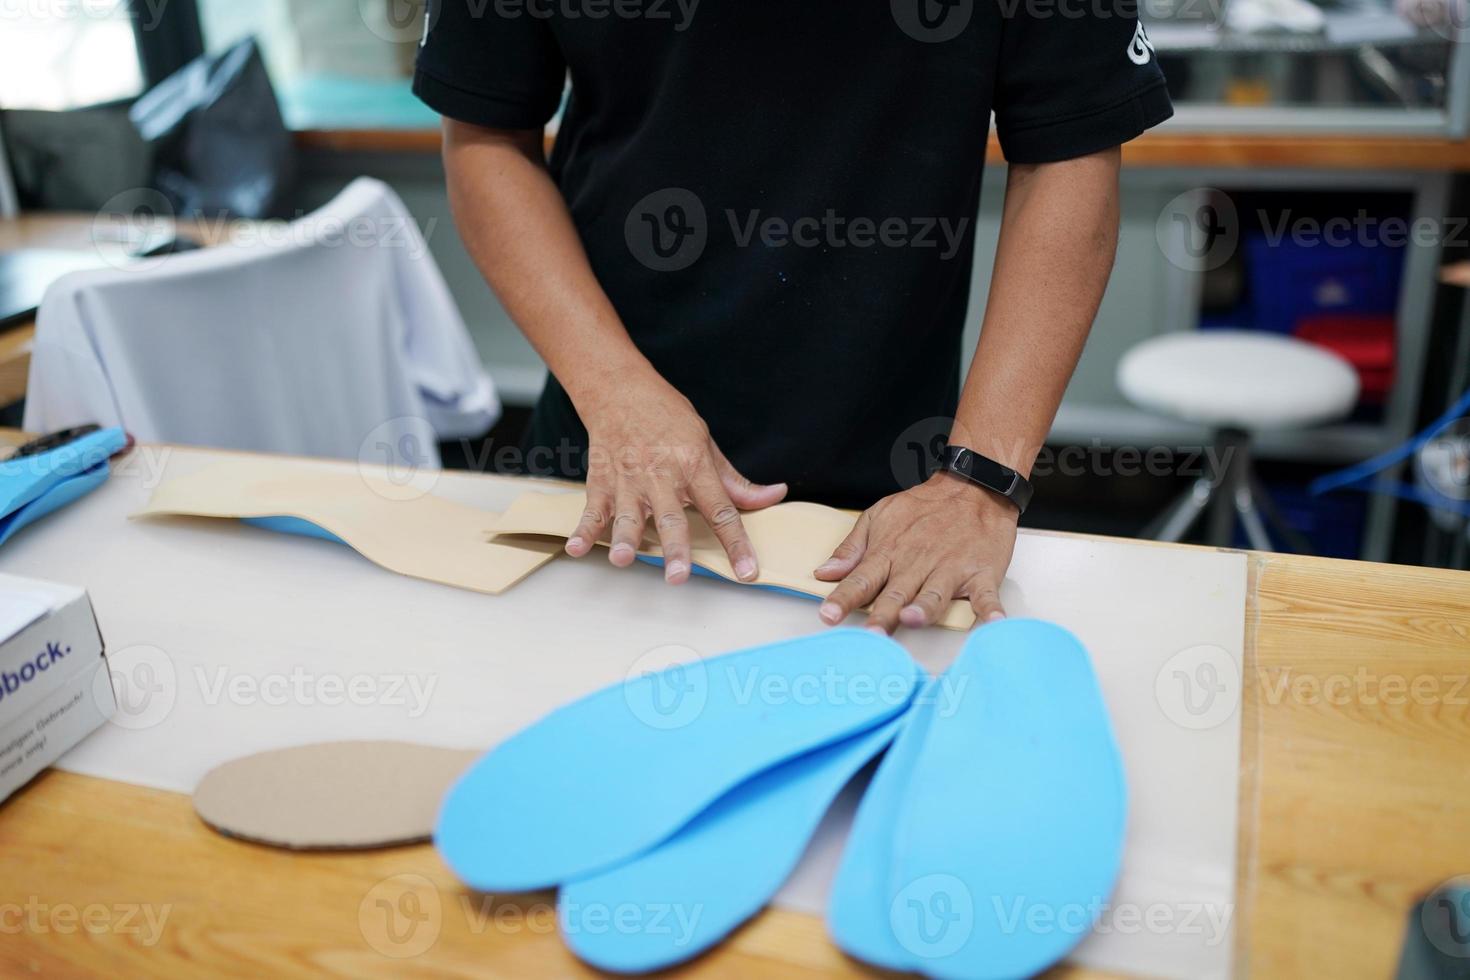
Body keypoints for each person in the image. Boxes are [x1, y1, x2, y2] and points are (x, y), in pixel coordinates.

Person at [415, 0, 1172, 632]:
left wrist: (981, 479)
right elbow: (488, 131)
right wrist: (612, 387)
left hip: (896, 493)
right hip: (609, 468)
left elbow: (1070, 146)